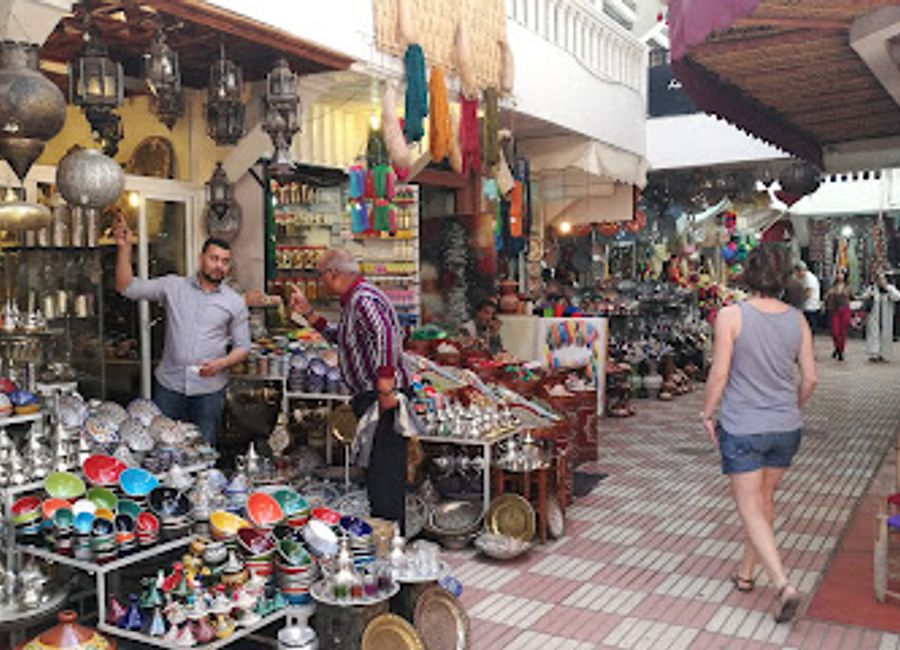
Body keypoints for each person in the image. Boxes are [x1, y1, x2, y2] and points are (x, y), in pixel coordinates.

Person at [701, 244, 817, 624]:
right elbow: (811, 379)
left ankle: (783, 585)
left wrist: (706, 413)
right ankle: (746, 573)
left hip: (743, 427)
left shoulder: (731, 316)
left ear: (747, 274)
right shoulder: (797, 320)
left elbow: (719, 373)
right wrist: (792, 408)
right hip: (786, 427)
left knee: (750, 507)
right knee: (763, 501)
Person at [289, 249, 410, 528]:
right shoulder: (356, 300)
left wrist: (385, 386)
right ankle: (387, 536)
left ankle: (390, 539)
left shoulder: (362, 299)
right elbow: (343, 340)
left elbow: (385, 335)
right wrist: (308, 313)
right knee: (379, 471)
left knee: (384, 473)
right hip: (374, 397)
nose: (319, 281)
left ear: (334, 274)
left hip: (381, 399)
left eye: (320, 275)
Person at [113, 216, 251, 447]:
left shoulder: (234, 302)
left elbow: (243, 347)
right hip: (170, 388)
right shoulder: (173, 286)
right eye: (214, 258)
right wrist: (124, 249)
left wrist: (220, 364)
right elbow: (126, 287)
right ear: (201, 259)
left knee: (204, 449)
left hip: (209, 391)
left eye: (225, 262)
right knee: (163, 450)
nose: (219, 266)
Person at [862, 272, 900, 362]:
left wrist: (887, 288)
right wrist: (867, 296)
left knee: (885, 335)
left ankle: (884, 354)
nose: (880, 281)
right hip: (874, 316)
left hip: (886, 316)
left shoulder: (890, 288)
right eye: (879, 279)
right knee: (874, 334)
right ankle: (874, 353)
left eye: (882, 279)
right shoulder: (872, 288)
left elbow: (897, 297)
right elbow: (864, 296)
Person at [824, 270, 852, 361]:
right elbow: (827, 297)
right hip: (834, 310)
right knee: (835, 331)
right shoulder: (832, 287)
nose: (839, 276)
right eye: (838, 274)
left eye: (842, 274)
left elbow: (852, 296)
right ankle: (837, 346)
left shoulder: (847, 287)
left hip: (844, 310)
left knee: (842, 331)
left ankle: (841, 350)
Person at [793, 262, 821, 331]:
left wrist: (799, 301)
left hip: (810, 306)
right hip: (805, 306)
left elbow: (808, 293)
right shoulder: (802, 278)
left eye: (797, 272)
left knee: (809, 326)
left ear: (801, 270)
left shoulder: (809, 278)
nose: (796, 275)